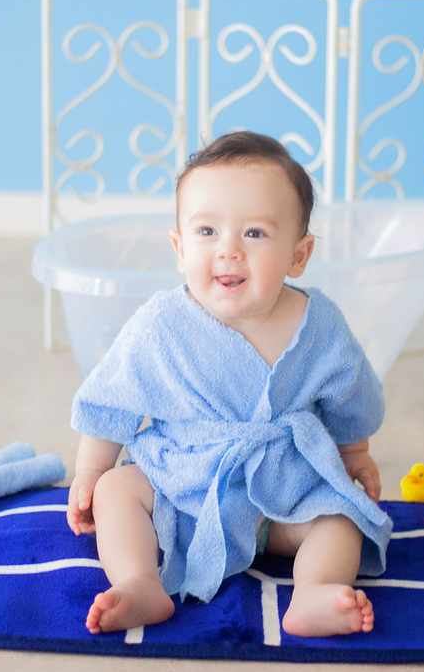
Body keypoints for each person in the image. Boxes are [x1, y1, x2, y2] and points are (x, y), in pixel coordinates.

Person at [66, 131, 392, 638]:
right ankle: (139, 582)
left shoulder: (320, 326)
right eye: (207, 232)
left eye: (255, 234)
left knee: (343, 516)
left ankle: (314, 590)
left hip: (286, 486)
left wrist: (353, 457)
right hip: (186, 483)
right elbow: (114, 399)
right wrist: (90, 468)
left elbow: (352, 397)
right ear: (178, 247)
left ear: (299, 255)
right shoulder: (161, 325)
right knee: (116, 490)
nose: (229, 251)